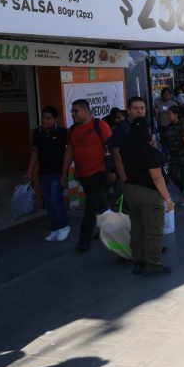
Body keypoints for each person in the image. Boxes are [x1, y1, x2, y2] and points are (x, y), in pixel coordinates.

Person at [121, 119, 174, 276]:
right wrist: (168, 199)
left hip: (131, 191)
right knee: (153, 230)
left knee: (137, 228)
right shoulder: (149, 152)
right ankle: (153, 265)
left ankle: (139, 262)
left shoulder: (126, 149)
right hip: (150, 194)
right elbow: (157, 177)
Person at [62, 99, 112, 253]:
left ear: (85, 110)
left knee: (91, 207)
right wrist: (64, 172)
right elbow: (69, 151)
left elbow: (110, 148)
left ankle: (84, 240)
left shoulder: (100, 125)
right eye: (72, 111)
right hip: (83, 175)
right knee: (100, 205)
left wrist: (112, 172)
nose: (73, 114)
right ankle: (115, 228)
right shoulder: (72, 130)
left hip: (99, 173)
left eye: (76, 111)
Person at [26, 106, 70, 242]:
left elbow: (69, 153)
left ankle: (64, 226)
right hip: (43, 173)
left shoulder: (63, 132)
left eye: (48, 118)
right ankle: (54, 228)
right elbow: (35, 152)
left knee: (55, 199)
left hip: (58, 172)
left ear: (55, 119)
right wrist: (29, 171)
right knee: (48, 203)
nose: (44, 121)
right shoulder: (37, 133)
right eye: (43, 118)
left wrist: (64, 173)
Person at [161, 105, 184, 206]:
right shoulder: (168, 127)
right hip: (174, 156)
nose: (168, 116)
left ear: (176, 115)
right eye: (167, 114)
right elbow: (164, 140)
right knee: (172, 174)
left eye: (169, 114)